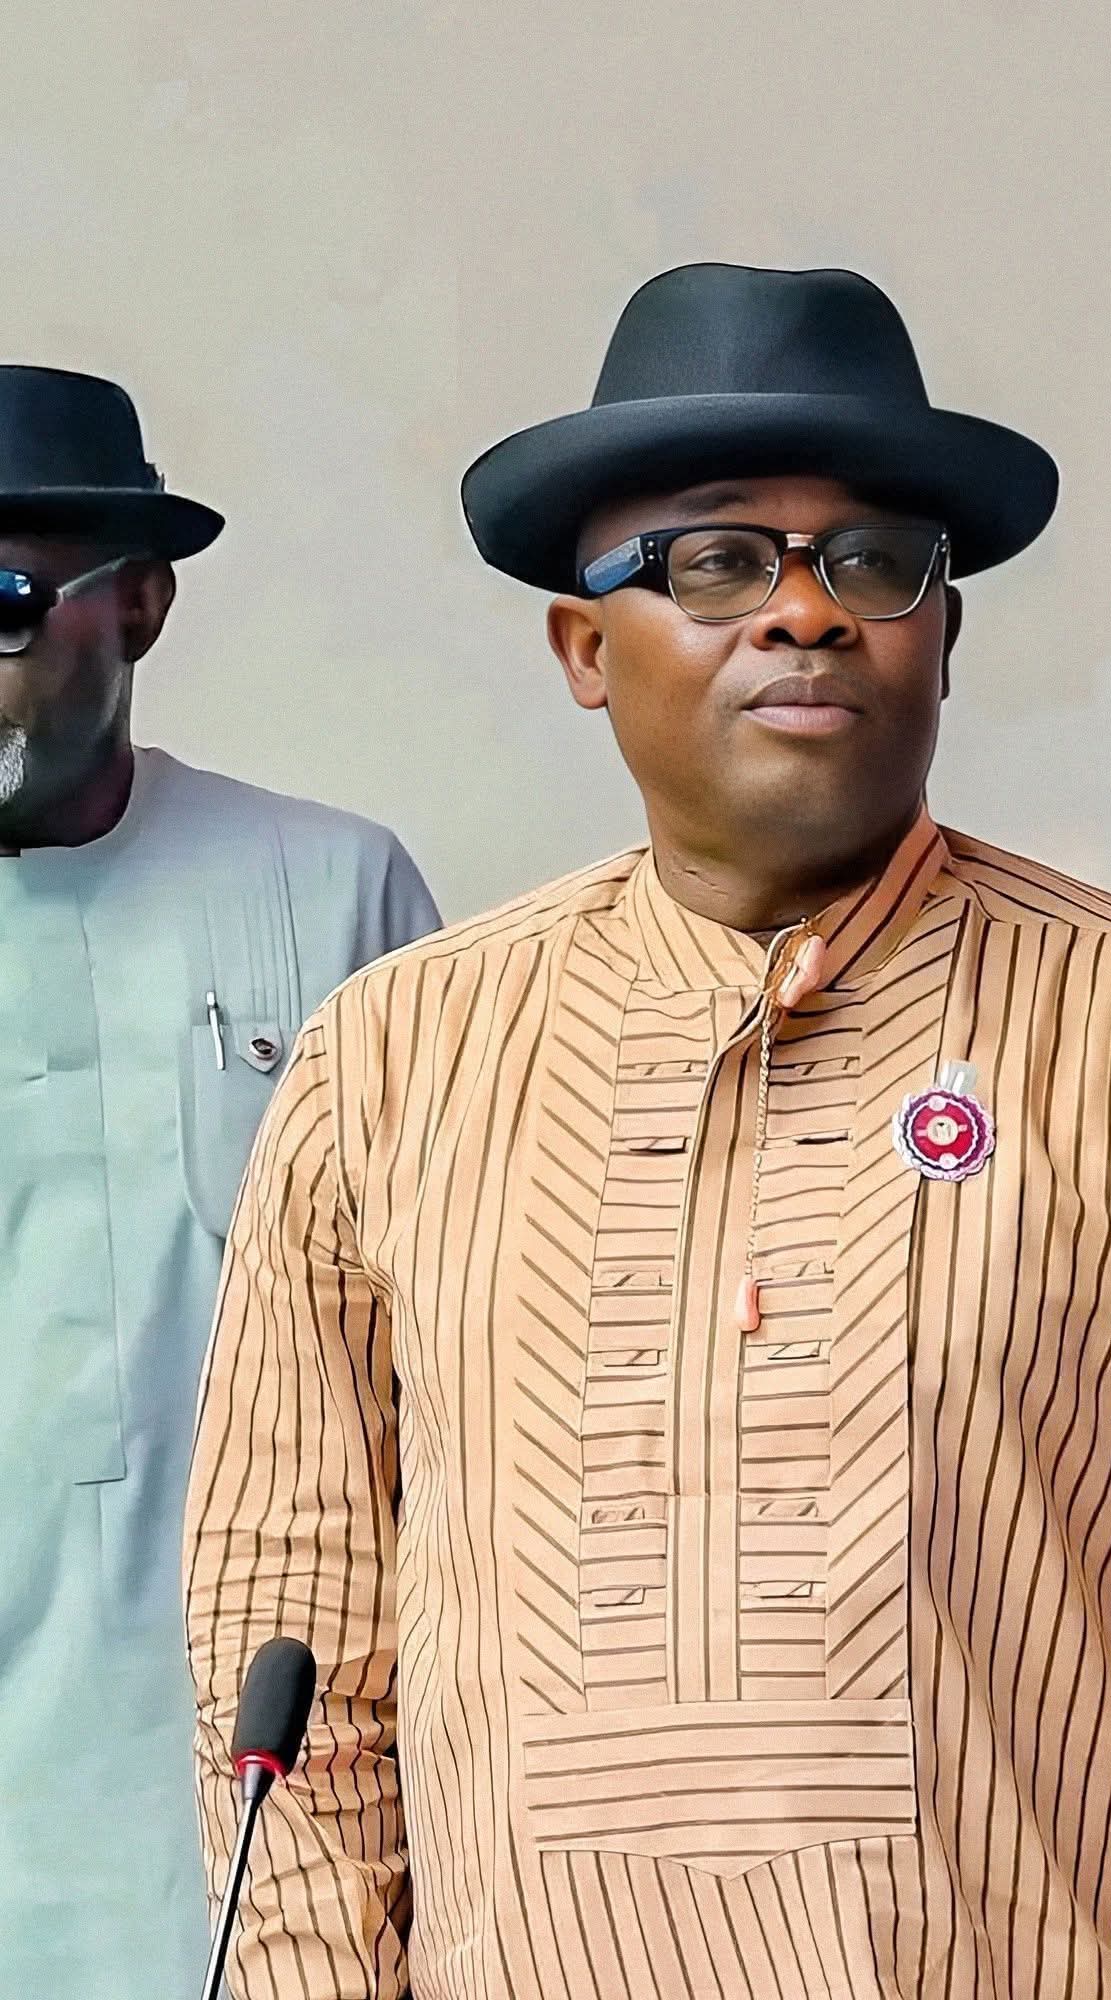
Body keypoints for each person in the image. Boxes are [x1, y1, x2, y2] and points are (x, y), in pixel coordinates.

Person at [185, 265, 1111, 2000]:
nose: (806, 612)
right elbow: (289, 1638)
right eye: (716, 560)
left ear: (945, 634)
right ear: (585, 649)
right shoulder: (391, 1065)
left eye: (872, 562)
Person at [0, 364, 441, 1998]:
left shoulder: (331, 891)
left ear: (142, 603)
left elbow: (453, 1379)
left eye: (4, 601)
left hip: (272, 1825)